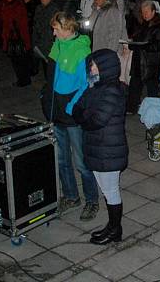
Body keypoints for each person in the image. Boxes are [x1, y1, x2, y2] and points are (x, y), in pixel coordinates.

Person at [41, 12, 98, 220]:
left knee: (81, 161)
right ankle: (72, 196)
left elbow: (88, 85)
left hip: (72, 115)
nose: (53, 32)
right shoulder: (57, 45)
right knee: (61, 159)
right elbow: (50, 78)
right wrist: (48, 101)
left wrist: (71, 106)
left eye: (56, 29)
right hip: (56, 113)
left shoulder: (82, 51)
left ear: (68, 29)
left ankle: (92, 200)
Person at [72, 49, 128, 246]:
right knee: (106, 190)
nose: (92, 68)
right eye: (92, 64)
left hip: (109, 150)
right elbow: (78, 107)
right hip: (99, 148)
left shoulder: (112, 89)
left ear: (107, 66)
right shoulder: (96, 86)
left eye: (96, 65)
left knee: (111, 191)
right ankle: (112, 227)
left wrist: (82, 117)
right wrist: (83, 115)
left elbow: (96, 120)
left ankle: (115, 230)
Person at [126, 1, 160, 113]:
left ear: (153, 11)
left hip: (150, 63)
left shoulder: (159, 25)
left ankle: (154, 111)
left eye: (147, 12)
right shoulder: (143, 24)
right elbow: (137, 38)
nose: (144, 14)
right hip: (139, 60)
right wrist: (132, 44)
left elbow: (158, 45)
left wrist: (144, 46)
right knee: (135, 84)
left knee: (151, 87)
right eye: (143, 12)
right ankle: (132, 107)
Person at [0, 0, 32, 87]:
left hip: (17, 38)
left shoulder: (17, 6)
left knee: (19, 60)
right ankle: (22, 78)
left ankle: (23, 79)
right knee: (16, 60)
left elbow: (19, 23)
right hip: (12, 36)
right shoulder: (10, 5)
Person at [32, 0, 59, 76]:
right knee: (45, 65)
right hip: (41, 41)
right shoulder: (39, 8)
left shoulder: (55, 9)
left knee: (51, 67)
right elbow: (36, 24)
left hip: (49, 42)